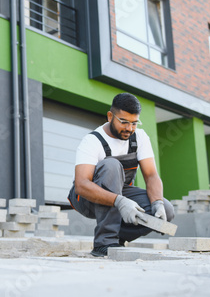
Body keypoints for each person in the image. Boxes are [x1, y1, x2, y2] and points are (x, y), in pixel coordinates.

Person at [68, 93, 174, 257]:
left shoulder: (139, 137)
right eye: (124, 122)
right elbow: (81, 185)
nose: (129, 128)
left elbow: (151, 175)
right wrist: (119, 201)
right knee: (111, 165)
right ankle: (104, 243)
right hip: (86, 198)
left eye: (134, 123)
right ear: (110, 116)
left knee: (166, 209)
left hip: (121, 192)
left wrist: (157, 203)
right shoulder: (92, 141)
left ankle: (118, 239)